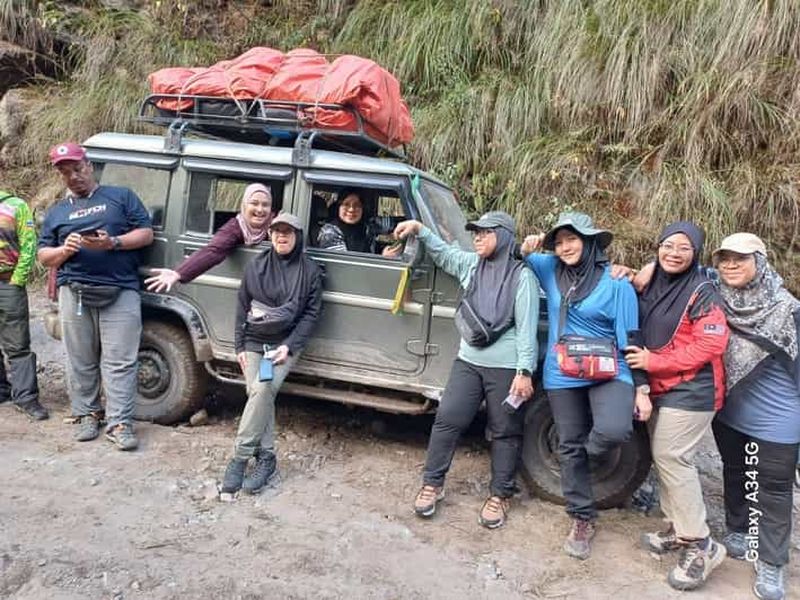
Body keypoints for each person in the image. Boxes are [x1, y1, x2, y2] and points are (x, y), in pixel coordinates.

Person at [394, 211, 539, 529]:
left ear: (503, 236)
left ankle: (499, 495)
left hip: (505, 368)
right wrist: (420, 230)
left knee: (505, 431)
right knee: (447, 420)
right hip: (469, 361)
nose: (477, 238)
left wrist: (524, 371)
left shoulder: (522, 276)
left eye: (485, 233)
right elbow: (444, 254)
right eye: (475, 232)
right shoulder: (472, 265)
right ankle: (432, 483)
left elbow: (527, 329)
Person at [520, 211, 638, 559]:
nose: (565, 247)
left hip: (608, 369)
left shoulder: (617, 283)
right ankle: (582, 517)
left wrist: (641, 387)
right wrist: (528, 247)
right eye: (559, 242)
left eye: (572, 239)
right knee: (567, 440)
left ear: (589, 242)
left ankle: (578, 459)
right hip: (562, 371)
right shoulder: (549, 269)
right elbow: (520, 257)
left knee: (615, 430)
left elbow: (630, 338)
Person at [624, 222, 729, 591]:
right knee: (663, 454)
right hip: (661, 386)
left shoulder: (703, 291)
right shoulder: (651, 280)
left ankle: (701, 544)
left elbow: (710, 346)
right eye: (668, 245)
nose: (673, 253)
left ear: (696, 253)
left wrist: (654, 363)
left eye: (684, 248)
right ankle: (678, 529)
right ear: (658, 247)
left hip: (693, 388)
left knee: (672, 456)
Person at [37, 142, 153, 450]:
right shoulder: (57, 212)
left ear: (89, 165)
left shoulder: (121, 197)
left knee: (121, 361)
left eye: (77, 169)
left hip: (121, 289)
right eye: (65, 172)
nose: (73, 176)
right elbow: (44, 256)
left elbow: (146, 233)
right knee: (80, 359)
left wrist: (112, 242)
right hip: (73, 291)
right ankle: (87, 414)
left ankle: (121, 423)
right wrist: (65, 249)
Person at [710, 233, 799, 600]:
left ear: (760, 262)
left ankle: (771, 562)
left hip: (779, 416)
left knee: (774, 489)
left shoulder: (788, 309)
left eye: (741, 258)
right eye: (725, 258)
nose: (731, 264)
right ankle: (739, 527)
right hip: (729, 411)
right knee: (736, 470)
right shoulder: (715, 295)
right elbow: (674, 271)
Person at [220, 212, 323, 495]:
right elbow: (242, 306)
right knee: (260, 393)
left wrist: (288, 346)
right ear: (270, 235)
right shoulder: (257, 265)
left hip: (283, 345)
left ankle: (239, 459)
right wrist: (239, 347)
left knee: (262, 389)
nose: (281, 236)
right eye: (277, 231)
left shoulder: (309, 271)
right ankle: (266, 456)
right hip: (255, 341)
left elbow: (311, 316)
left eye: (288, 232)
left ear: (298, 236)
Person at [145, 183, 273, 292]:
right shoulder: (235, 227)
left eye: (265, 205)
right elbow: (213, 250)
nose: (260, 209)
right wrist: (179, 273)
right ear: (244, 205)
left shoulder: (277, 222)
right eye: (254, 203)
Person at [0, 189, 48, 420]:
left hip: (8, 283)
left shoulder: (16, 206)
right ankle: (2, 390)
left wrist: (17, 280)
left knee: (17, 344)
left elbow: (29, 245)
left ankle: (26, 397)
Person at [316, 189, 402, 257]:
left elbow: (398, 224)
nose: (351, 209)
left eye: (357, 205)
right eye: (346, 204)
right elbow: (345, 268)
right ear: (338, 207)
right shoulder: (330, 232)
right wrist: (383, 259)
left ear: (363, 208)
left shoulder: (368, 225)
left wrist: (409, 227)